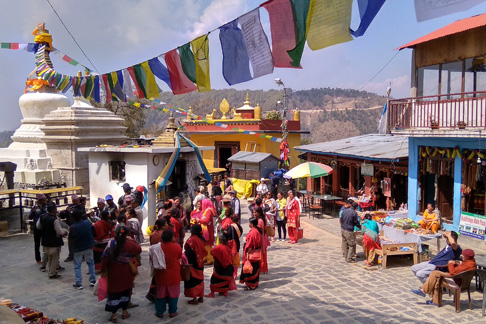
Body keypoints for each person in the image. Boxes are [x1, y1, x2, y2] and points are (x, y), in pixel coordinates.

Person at [101, 225, 141, 323]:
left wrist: (103, 270)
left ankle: (114, 315)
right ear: (127, 234)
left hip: (113, 271)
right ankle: (124, 312)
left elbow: (105, 259)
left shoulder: (111, 243)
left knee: (114, 292)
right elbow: (138, 249)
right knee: (126, 290)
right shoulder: (129, 244)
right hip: (126, 271)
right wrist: (131, 240)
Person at [411, 249, 476, 306]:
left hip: (456, 282)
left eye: (463, 256)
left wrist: (450, 263)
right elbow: (459, 270)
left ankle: (424, 291)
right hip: (461, 280)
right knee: (436, 279)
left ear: (466, 257)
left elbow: (452, 273)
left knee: (435, 273)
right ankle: (434, 300)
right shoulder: (472, 263)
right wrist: (456, 264)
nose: (462, 257)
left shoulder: (467, 264)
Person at [154, 230, 182, 319]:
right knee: (173, 294)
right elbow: (179, 257)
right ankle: (173, 311)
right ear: (171, 238)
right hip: (174, 274)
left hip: (161, 274)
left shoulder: (156, 248)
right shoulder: (177, 247)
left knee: (160, 294)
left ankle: (159, 312)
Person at [36, 203, 68, 279]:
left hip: (45, 241)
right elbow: (59, 232)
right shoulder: (54, 220)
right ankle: (52, 273)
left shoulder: (42, 217)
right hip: (54, 242)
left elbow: (38, 226)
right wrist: (65, 231)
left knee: (50, 257)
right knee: (55, 258)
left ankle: (50, 271)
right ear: (54, 210)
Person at [70, 210, 96, 289]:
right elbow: (93, 232)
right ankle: (92, 280)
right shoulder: (87, 223)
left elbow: (71, 238)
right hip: (88, 246)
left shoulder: (73, 227)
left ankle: (79, 283)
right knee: (91, 263)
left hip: (78, 248)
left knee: (77, 266)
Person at [206, 231, 237, 298]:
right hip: (229, 267)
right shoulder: (229, 246)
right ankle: (224, 292)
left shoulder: (219, 248)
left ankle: (212, 293)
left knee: (214, 280)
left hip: (220, 267)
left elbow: (212, 252)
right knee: (225, 280)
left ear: (220, 240)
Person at [146, 218, 170, 302]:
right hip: (161, 257)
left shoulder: (153, 233)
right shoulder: (163, 234)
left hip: (154, 257)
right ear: (162, 226)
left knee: (156, 275)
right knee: (161, 277)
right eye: (166, 223)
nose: (167, 225)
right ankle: (159, 295)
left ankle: (152, 294)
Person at [184, 225, 207, 305]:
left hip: (193, 263)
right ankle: (201, 296)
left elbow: (188, 252)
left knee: (193, 280)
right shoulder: (202, 239)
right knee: (200, 279)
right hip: (200, 262)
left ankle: (194, 298)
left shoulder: (191, 240)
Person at [240, 217, 262, 290]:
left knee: (250, 269)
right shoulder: (257, 231)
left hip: (251, 253)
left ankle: (251, 285)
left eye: (249, 223)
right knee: (255, 268)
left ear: (252, 224)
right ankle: (255, 283)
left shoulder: (252, 233)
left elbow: (249, 244)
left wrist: (247, 253)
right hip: (257, 252)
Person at [191, 199, 216, 265]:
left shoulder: (209, 211)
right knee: (204, 244)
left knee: (207, 245)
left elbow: (206, 220)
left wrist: (198, 220)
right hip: (205, 230)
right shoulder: (206, 211)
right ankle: (205, 258)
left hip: (207, 230)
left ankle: (210, 259)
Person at [29, 193, 47, 264]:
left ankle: (46, 257)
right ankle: (38, 259)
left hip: (44, 227)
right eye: (43, 200)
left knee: (46, 243)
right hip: (37, 228)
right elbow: (30, 217)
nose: (45, 201)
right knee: (37, 244)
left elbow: (47, 214)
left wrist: (42, 209)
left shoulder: (46, 207)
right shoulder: (34, 207)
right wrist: (33, 212)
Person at [253, 206, 269, 274]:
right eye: (253, 212)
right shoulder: (261, 219)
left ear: (259, 213)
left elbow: (258, 232)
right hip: (262, 238)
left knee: (261, 254)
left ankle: (262, 268)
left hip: (260, 239)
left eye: (255, 212)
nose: (254, 213)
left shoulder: (259, 221)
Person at [228, 214, 243, 278]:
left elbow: (228, 235)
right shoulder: (239, 227)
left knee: (231, 259)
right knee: (236, 260)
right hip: (237, 244)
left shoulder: (230, 227)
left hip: (231, 245)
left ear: (231, 220)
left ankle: (231, 273)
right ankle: (235, 274)